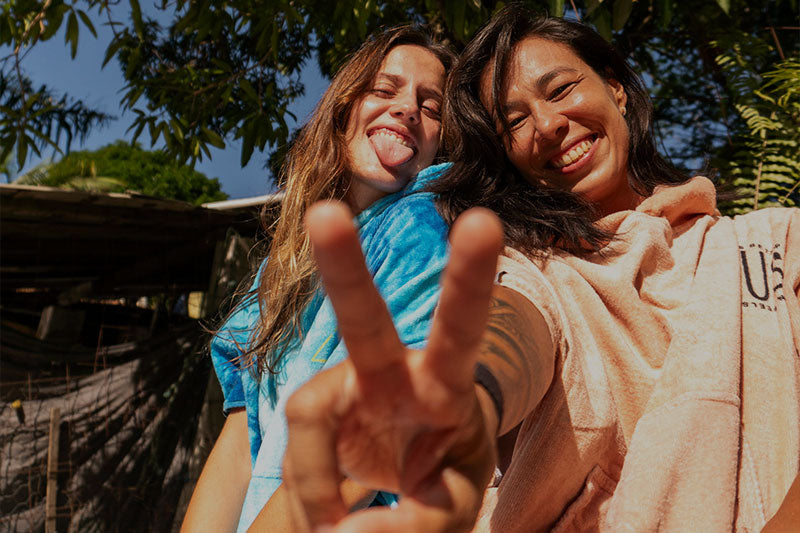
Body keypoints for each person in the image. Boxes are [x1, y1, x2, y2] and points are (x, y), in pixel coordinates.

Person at [281, 5, 800, 532]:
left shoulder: (774, 242)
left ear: (615, 88)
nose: (548, 126)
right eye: (515, 122)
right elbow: (514, 328)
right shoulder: (537, 271)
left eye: (560, 90)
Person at [181, 26, 455, 532]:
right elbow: (240, 443)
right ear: (344, 108)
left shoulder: (422, 230)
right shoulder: (284, 266)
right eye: (384, 89)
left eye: (432, 107)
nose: (408, 109)